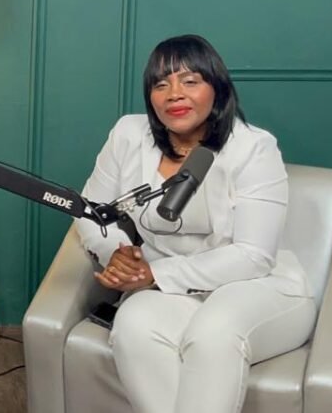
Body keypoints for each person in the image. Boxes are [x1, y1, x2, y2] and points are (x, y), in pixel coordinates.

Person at [75, 34, 315, 413]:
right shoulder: (128, 135)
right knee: (133, 323)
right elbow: (90, 211)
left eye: (190, 81)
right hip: (172, 292)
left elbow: (254, 256)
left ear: (217, 89)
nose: (174, 94)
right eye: (161, 84)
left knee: (213, 333)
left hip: (256, 287)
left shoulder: (253, 147)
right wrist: (117, 254)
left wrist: (153, 274)